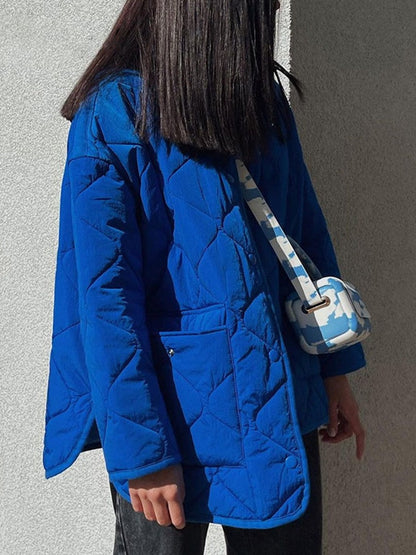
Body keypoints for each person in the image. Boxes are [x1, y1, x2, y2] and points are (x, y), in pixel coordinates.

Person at [42, 1, 367, 553]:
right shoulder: (115, 113)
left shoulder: (261, 101)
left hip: (274, 391)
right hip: (163, 410)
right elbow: (103, 302)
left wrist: (335, 370)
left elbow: (305, 238)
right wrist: (142, 451)